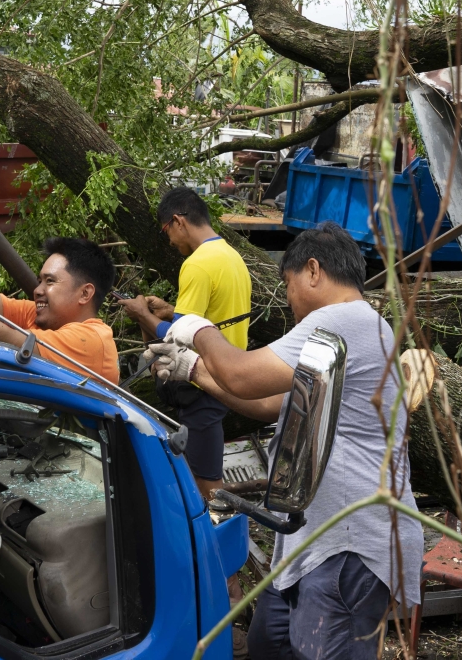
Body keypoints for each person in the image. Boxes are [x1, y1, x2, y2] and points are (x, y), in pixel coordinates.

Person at [160, 222, 423, 660]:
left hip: (351, 542)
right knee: (270, 642)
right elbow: (268, 404)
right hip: (317, 540)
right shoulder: (360, 329)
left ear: (314, 270)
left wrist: (197, 329)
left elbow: (243, 375)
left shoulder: (340, 321)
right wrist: (192, 370)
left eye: (288, 284)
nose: (288, 299)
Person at [120, 187, 251, 498]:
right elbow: (206, 320)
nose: (169, 240)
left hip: (202, 384)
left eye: (167, 231)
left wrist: (142, 315)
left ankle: (215, 538)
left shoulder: (197, 264)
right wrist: (168, 311)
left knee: (206, 487)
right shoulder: (231, 257)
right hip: (226, 373)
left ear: (178, 221)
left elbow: (177, 337)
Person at [0, 237, 120, 383]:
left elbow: (3, 338)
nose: (37, 290)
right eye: (40, 281)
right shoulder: (46, 318)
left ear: (85, 294)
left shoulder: (91, 341)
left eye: (50, 281)